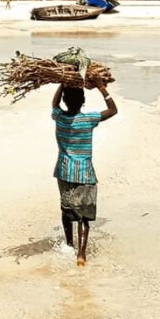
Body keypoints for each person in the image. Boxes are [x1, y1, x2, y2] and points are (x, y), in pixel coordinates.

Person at [50, 83, 118, 267]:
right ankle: (81, 255)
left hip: (64, 171)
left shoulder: (59, 117)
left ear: (65, 100)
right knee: (83, 216)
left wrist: (62, 85)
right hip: (84, 173)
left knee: (66, 209)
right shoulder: (89, 119)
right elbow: (113, 110)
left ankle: (69, 244)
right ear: (83, 101)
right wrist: (101, 87)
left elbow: (54, 106)